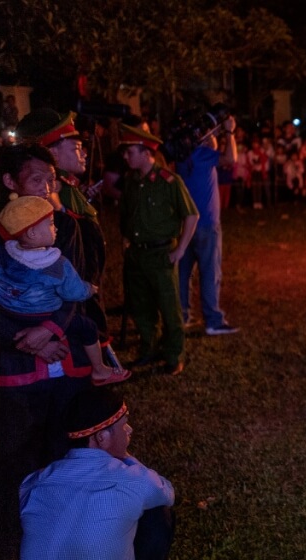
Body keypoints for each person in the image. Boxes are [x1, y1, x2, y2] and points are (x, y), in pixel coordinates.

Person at [0, 144, 95, 560]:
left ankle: (61, 540)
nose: (48, 188)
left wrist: (52, 329)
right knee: (15, 452)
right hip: (12, 365)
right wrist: (25, 338)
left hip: (62, 354)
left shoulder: (63, 227)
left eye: (51, 180)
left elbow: (74, 290)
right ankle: (7, 545)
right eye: (38, 180)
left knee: (62, 447)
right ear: (10, 183)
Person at [17, 387, 175, 560]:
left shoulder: (36, 481)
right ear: (101, 437)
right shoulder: (130, 479)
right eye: (124, 425)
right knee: (158, 513)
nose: (130, 430)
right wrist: (125, 456)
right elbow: (167, 492)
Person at [0, 196, 130, 385]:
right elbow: (73, 293)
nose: (56, 228)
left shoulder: (1, 255)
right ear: (33, 233)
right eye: (51, 224)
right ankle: (100, 369)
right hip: (45, 315)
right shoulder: (56, 264)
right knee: (88, 326)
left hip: (15, 317)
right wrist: (89, 289)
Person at [15, 108, 110, 338]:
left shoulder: (67, 186)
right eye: (76, 148)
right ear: (53, 155)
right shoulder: (54, 190)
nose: (85, 153)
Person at [118, 125, 198, 375]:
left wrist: (180, 250)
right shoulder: (131, 181)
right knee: (141, 307)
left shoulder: (169, 181)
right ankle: (148, 348)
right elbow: (126, 215)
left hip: (161, 253)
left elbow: (191, 215)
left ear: (146, 152)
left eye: (130, 151)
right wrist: (126, 238)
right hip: (137, 254)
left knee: (169, 306)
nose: (125, 157)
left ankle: (174, 354)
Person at [175, 114, 239, 336]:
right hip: (207, 224)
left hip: (185, 223)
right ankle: (213, 320)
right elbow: (230, 159)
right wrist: (229, 132)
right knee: (210, 272)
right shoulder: (203, 154)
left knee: (183, 273)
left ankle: (182, 315)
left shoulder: (183, 157)